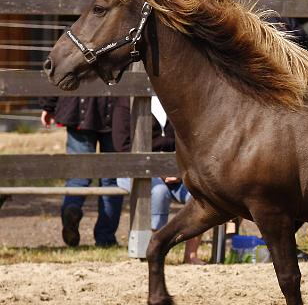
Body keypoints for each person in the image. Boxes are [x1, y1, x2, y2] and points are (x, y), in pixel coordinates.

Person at [112, 97, 204, 264]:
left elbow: (188, 142)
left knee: (199, 195)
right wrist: (159, 170)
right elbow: (122, 145)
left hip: (175, 169)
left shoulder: (173, 99)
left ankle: (191, 255)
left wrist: (177, 170)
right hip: (135, 168)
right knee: (159, 192)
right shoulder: (125, 103)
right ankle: (155, 251)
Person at [40, 95, 122, 247]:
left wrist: (48, 105)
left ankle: (72, 207)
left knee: (78, 176)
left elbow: (59, 78)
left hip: (79, 108)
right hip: (115, 110)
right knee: (111, 180)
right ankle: (105, 238)